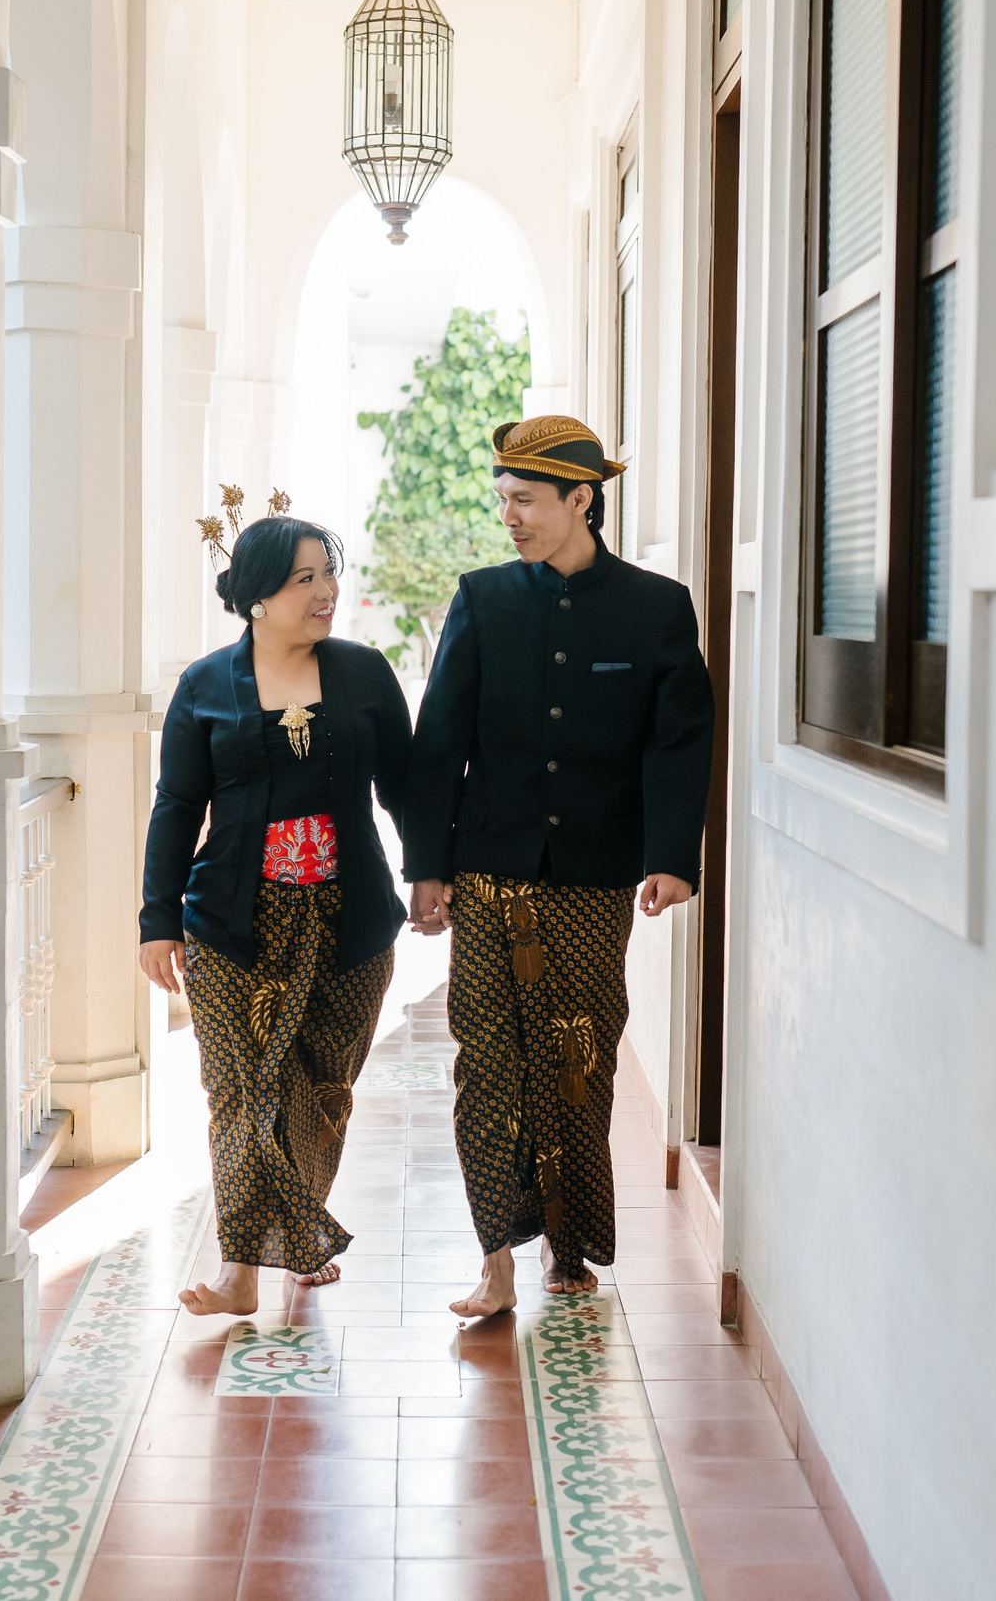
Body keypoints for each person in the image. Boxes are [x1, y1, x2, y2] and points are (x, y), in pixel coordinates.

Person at [401, 415, 714, 1317]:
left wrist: (672, 857)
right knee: (487, 1066)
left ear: (583, 499)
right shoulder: (483, 599)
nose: (510, 517)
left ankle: (568, 1247)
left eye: (526, 501)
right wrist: (428, 864)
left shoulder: (656, 608)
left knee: (576, 1061)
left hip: (593, 878)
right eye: (502, 500)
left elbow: (678, 742)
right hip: (490, 870)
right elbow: (439, 743)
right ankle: (495, 1258)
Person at [140, 513, 413, 1316]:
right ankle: (241, 1270)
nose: (327, 591)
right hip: (231, 923)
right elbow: (178, 803)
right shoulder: (205, 684)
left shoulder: (365, 674)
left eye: (329, 573)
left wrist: (432, 875)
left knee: (321, 1090)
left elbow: (406, 786)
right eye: (306, 579)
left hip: (350, 921)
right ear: (259, 596)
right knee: (239, 1092)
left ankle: (296, 1226)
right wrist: (157, 918)